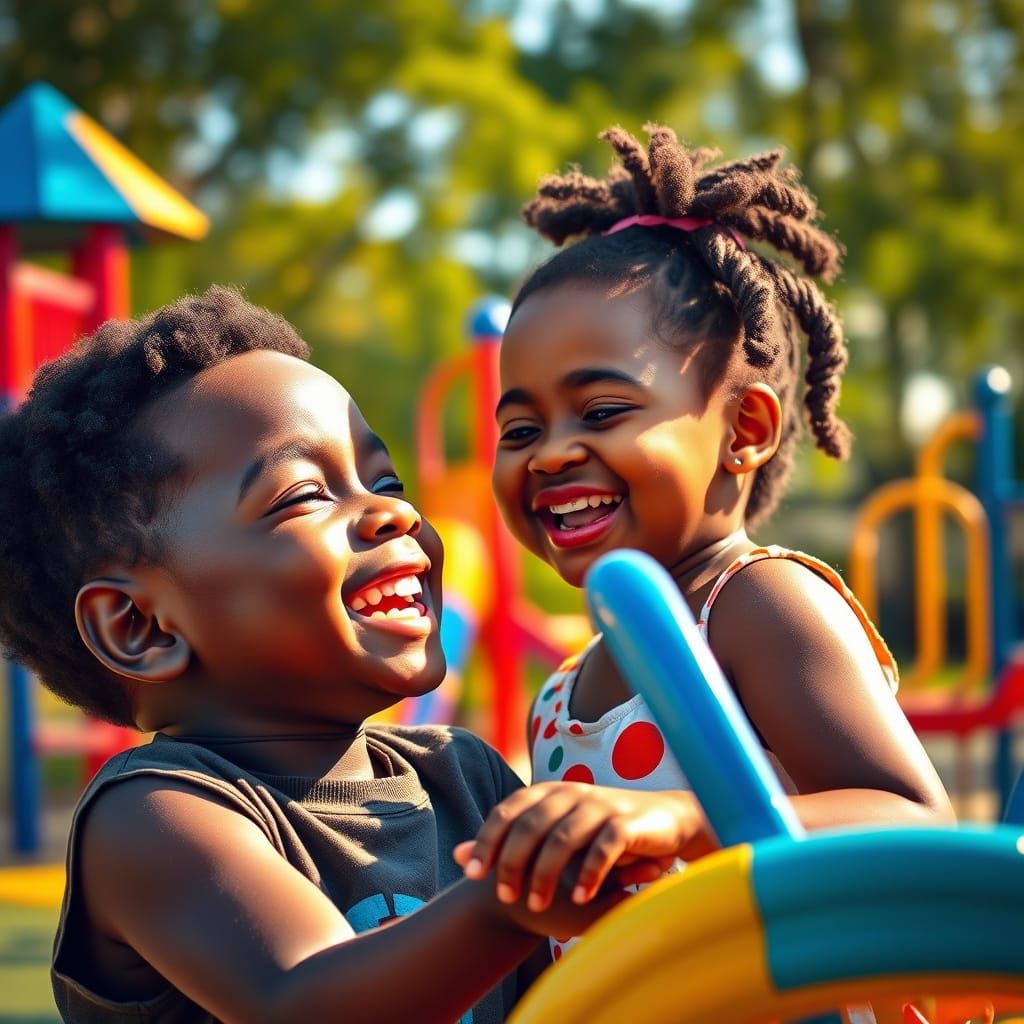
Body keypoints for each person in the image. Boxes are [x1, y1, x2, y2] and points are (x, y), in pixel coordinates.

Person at [0, 286, 653, 1024]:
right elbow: (305, 1001)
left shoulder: (465, 778)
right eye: (304, 494)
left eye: (385, 481)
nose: (395, 511)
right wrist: (511, 900)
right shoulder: (153, 818)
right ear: (140, 625)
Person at [455, 124, 955, 958]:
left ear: (744, 429)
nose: (550, 454)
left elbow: (914, 820)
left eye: (601, 411)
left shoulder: (756, 605)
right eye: (520, 429)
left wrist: (685, 820)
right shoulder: (564, 688)